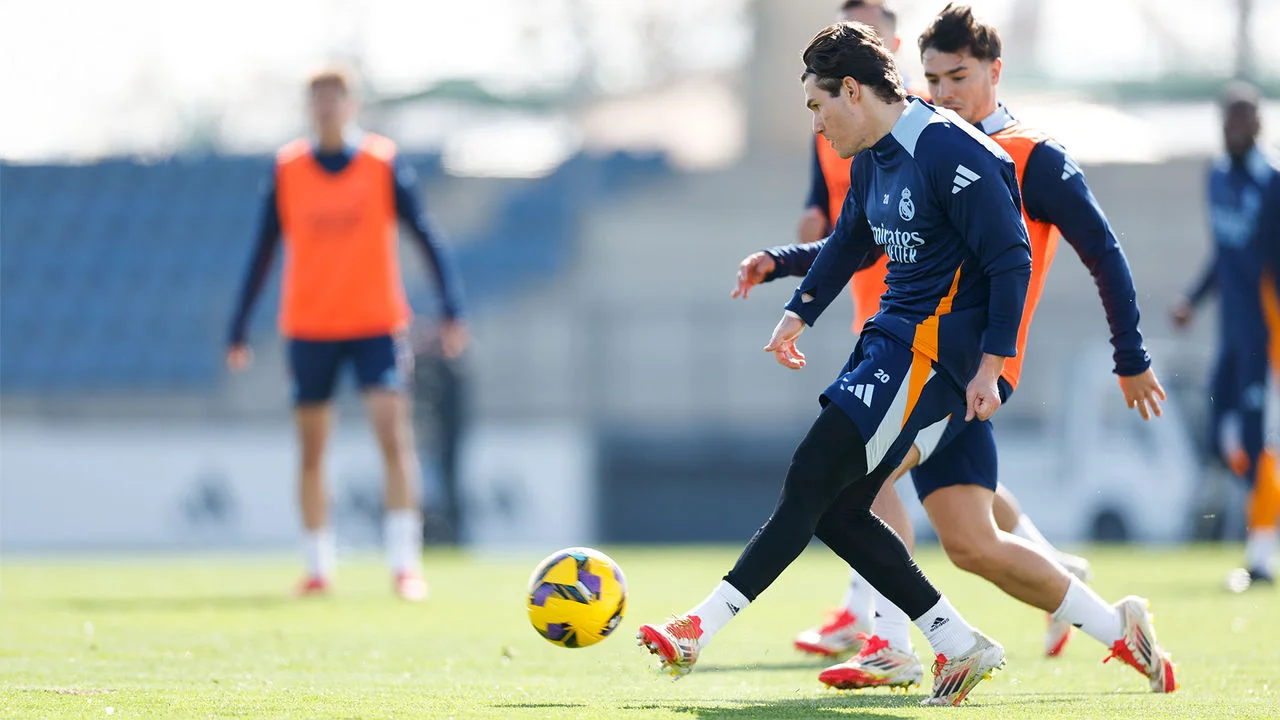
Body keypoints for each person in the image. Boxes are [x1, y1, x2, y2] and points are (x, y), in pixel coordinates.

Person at [734, 4, 1176, 694]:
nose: (943, 93)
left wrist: (1130, 355)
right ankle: (1119, 626)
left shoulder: (1028, 157)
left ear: (996, 72)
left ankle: (894, 642)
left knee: (856, 481)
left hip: (969, 366)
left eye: (958, 77)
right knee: (973, 545)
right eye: (932, 79)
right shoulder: (924, 147)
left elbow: (1104, 253)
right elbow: (860, 235)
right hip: (929, 357)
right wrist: (785, 262)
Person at [639, 21, 1032, 707]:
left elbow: (1011, 257)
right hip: (891, 343)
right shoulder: (875, 156)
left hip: (932, 354)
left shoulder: (947, 148)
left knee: (811, 477)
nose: (816, 124)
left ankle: (697, 629)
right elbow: (849, 241)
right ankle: (958, 642)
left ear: (853, 90)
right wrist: (797, 315)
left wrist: (991, 364)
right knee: (838, 509)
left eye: (818, 106)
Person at [226, 67, 468, 601]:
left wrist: (452, 307)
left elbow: (425, 233)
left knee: (392, 433)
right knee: (312, 448)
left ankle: (405, 565)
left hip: (375, 324)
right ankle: (318, 568)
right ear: (310, 106)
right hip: (311, 326)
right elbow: (262, 250)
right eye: (318, 99)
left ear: (351, 104)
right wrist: (238, 324)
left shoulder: (381, 163)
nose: (327, 107)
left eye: (335, 98)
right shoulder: (289, 169)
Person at [1172, 81, 1280, 590]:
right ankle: (1266, 502)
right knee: (1222, 434)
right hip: (1232, 334)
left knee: (1258, 439)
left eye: (1245, 119)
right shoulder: (1216, 177)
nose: (1235, 128)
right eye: (1229, 119)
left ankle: (1260, 557)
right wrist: (1192, 300)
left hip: (1268, 335)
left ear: (1258, 123)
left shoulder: (1272, 182)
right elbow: (1224, 256)